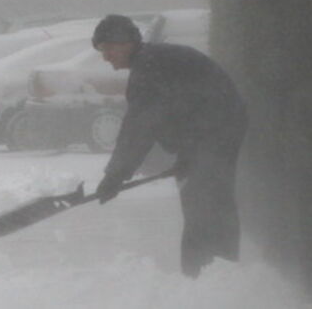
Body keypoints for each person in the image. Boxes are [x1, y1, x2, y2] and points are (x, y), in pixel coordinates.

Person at [92, 14, 248, 278]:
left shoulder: (149, 66)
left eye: (107, 47)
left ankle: (207, 278)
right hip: (216, 131)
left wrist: (115, 175)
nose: (105, 56)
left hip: (216, 132)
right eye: (101, 50)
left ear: (126, 42)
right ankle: (215, 273)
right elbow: (178, 110)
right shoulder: (154, 60)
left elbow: (140, 127)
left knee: (204, 205)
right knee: (208, 202)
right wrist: (186, 155)